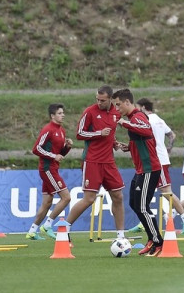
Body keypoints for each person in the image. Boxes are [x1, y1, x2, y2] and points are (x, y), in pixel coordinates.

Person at [64, 86, 126, 241]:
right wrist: (98, 133)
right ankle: (64, 228)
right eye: (97, 99)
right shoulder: (90, 112)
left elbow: (111, 134)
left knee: (118, 196)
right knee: (89, 198)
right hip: (92, 160)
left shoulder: (115, 113)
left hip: (109, 161)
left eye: (103, 100)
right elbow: (79, 133)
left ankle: (120, 236)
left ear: (110, 99)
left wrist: (114, 143)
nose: (99, 102)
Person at [128, 98, 184, 235]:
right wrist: (168, 149)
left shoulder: (145, 120)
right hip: (159, 158)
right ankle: (143, 222)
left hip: (156, 160)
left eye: (138, 107)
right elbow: (172, 135)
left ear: (144, 107)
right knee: (148, 192)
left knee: (166, 191)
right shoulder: (159, 119)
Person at [113, 89, 163, 256]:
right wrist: (129, 147)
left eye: (118, 105)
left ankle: (157, 242)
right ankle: (152, 238)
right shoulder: (133, 119)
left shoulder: (137, 117)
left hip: (149, 169)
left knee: (142, 206)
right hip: (142, 170)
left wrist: (123, 123)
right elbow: (145, 140)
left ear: (127, 102)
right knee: (135, 204)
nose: (117, 108)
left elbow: (146, 131)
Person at [26, 103, 73, 240]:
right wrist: (53, 156)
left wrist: (67, 147)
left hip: (53, 168)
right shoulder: (48, 129)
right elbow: (36, 149)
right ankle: (47, 225)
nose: (62, 115)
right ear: (52, 116)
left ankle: (32, 231)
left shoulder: (61, 130)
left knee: (47, 202)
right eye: (59, 113)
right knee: (66, 197)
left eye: (63, 113)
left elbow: (60, 154)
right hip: (47, 169)